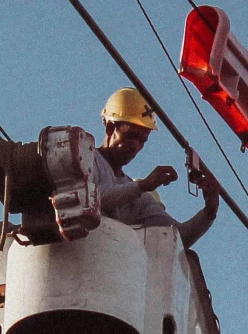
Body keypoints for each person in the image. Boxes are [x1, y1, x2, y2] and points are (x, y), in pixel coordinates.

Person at [91, 87, 221, 247]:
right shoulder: (85, 159)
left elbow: (176, 239)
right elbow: (89, 202)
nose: (135, 146)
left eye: (142, 140)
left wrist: (209, 211)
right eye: (131, 136)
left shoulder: (139, 198)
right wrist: (142, 186)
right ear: (110, 128)